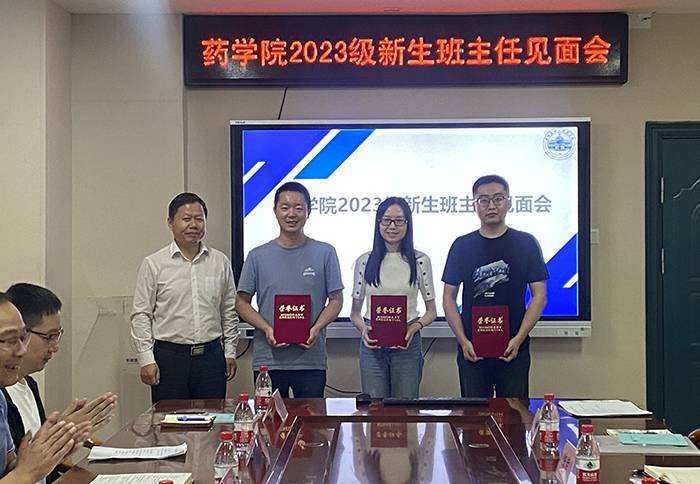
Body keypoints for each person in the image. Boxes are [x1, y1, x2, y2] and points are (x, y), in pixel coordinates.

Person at [442, 175, 548, 398]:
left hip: (514, 348)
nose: (491, 205)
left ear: (509, 202)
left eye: (498, 198)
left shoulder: (526, 243)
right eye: (483, 200)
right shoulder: (461, 246)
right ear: (475, 205)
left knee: (514, 414)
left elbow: (539, 295)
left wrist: (519, 338)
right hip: (472, 349)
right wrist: (463, 340)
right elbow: (448, 298)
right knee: (474, 416)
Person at [236, 181, 343, 398]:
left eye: (299, 207)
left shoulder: (325, 252)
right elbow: (241, 303)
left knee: (311, 419)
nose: (291, 214)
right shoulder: (257, 256)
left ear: (308, 211)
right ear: (275, 211)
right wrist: (267, 328)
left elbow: (336, 300)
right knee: (270, 419)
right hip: (269, 361)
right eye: (285, 207)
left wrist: (316, 328)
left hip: (311, 360)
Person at [3, 283, 117, 483]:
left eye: (23, 338)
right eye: (49, 337)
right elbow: (20, 472)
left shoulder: (25, 387)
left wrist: (58, 441)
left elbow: (19, 466)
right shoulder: (5, 394)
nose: (54, 347)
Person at [131, 192, 239, 403]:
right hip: (169, 358)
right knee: (169, 420)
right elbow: (141, 314)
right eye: (186, 219)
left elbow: (229, 310)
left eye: (199, 219)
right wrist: (146, 359)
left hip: (211, 357)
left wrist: (230, 352)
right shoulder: (154, 264)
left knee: (213, 418)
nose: (193, 225)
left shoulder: (220, 262)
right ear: (170, 222)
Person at [350, 197, 437, 398]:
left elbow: (432, 312)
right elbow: (354, 313)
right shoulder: (364, 261)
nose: (392, 226)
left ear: (407, 224)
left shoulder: (420, 261)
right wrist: (363, 329)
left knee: (405, 407)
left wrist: (414, 328)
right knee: (374, 408)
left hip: (408, 342)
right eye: (386, 220)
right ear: (378, 223)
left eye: (399, 221)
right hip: (372, 344)